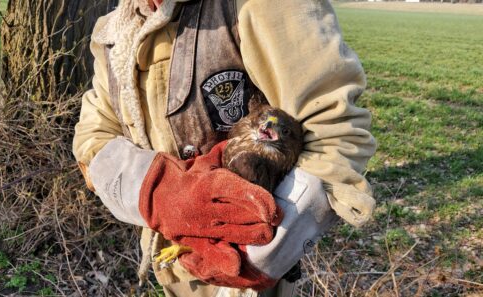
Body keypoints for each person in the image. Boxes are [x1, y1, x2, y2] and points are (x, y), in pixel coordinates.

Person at [72, 0, 377, 296]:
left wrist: (258, 257)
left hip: (243, 271)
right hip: (168, 256)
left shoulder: (264, 5)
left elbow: (336, 133)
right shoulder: (116, 28)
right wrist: (157, 192)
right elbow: (93, 136)